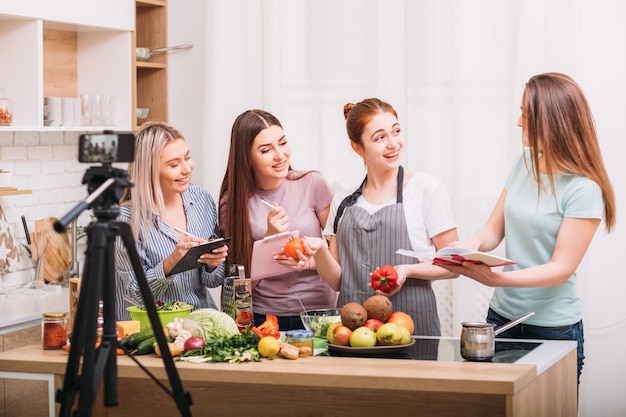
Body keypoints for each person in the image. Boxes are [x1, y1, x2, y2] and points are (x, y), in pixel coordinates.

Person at [434, 72, 616, 382]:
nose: (519, 123)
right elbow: (492, 231)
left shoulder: (583, 188)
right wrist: (467, 246)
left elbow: (560, 268)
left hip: (552, 328)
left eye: (526, 115)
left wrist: (495, 280)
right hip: (501, 320)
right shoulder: (524, 163)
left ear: (553, 120)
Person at [304, 98, 459, 336]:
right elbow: (337, 282)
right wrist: (319, 251)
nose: (393, 143)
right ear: (358, 147)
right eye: (380, 137)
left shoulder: (426, 189)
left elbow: (455, 266)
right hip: (354, 332)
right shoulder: (342, 202)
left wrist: (408, 270)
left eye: (396, 131)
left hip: (412, 327)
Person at [219, 109, 338, 331]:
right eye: (266, 150)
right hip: (264, 317)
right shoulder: (233, 203)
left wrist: (309, 261)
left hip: (319, 313)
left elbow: (338, 261)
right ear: (246, 157)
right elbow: (239, 287)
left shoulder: (312, 184)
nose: (280, 155)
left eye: (282, 143)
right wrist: (269, 240)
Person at [114, 121, 228, 320]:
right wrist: (171, 263)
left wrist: (213, 263)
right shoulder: (125, 222)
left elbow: (212, 281)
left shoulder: (201, 199)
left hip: (198, 324)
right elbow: (135, 294)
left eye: (187, 157)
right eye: (174, 164)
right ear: (149, 170)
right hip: (150, 332)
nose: (186, 169)